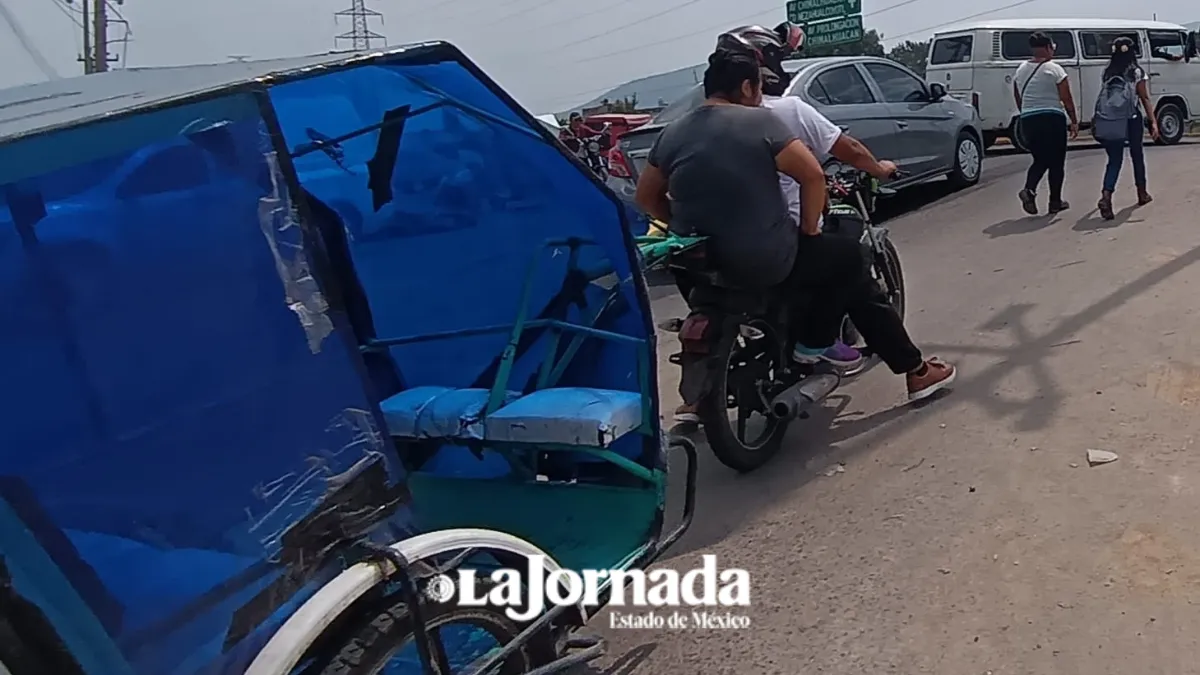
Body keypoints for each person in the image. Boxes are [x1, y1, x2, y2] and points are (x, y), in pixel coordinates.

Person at [634, 46, 955, 424]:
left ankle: (703, 395)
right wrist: (810, 231)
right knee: (850, 259)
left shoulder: (674, 132)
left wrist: (679, 223)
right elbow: (813, 175)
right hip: (762, 259)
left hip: (697, 264)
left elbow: (646, 196)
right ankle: (895, 366)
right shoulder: (761, 121)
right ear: (748, 86)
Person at [1012, 31, 1078, 215]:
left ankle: (1029, 189)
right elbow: (1066, 97)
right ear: (1048, 47)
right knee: (1057, 162)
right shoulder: (1055, 69)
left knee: (1040, 159)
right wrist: (1073, 120)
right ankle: (1055, 202)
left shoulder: (1021, 69)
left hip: (1029, 119)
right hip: (1052, 118)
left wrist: (1026, 112)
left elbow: (1018, 96)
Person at [1096, 36, 1157, 219]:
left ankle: (1106, 195)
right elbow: (1144, 97)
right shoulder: (1136, 72)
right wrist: (1153, 121)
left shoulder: (1107, 72)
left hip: (1111, 119)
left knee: (1114, 159)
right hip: (1131, 117)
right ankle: (1142, 193)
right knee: (1136, 155)